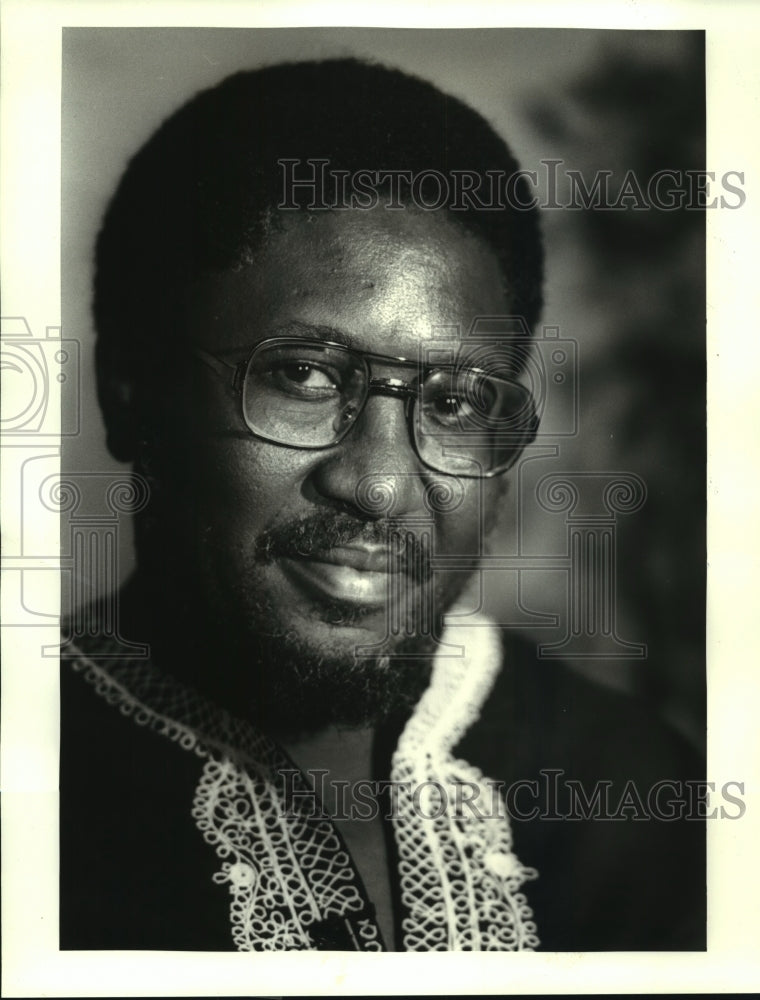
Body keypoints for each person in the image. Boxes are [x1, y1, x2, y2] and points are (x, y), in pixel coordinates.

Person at [60, 58, 704, 952]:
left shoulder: (639, 802)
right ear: (128, 392)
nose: (379, 486)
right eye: (304, 376)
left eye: (455, 402)